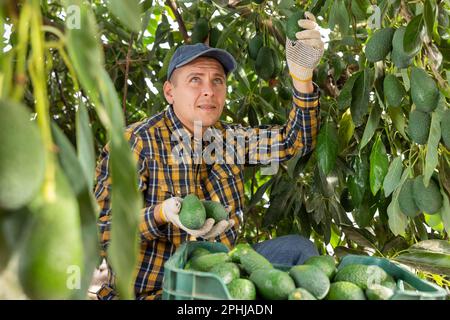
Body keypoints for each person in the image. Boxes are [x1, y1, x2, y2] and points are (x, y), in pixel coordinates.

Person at [94, 11, 324, 300]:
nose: (208, 91)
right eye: (195, 80)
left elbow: (295, 141)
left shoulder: (230, 139)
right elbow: (100, 229)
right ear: (169, 92)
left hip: (221, 275)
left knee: (299, 250)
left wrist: (302, 77)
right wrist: (161, 214)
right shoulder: (136, 142)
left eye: (217, 81)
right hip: (157, 292)